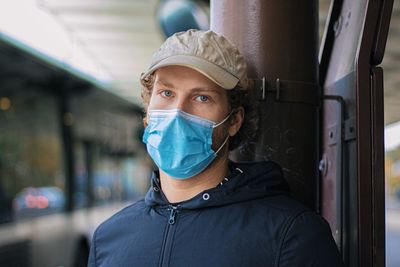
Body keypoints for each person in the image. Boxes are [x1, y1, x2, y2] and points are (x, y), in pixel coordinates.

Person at [88, 29, 344, 267]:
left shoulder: (292, 235)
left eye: (202, 97)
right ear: (147, 113)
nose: (178, 111)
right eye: (166, 93)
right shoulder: (108, 238)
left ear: (234, 120)